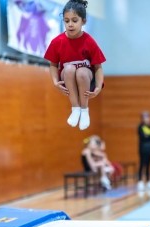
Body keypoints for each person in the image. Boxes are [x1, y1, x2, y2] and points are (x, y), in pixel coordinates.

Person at [44, 0, 106, 130]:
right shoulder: (57, 42)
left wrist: (99, 86)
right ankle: (75, 108)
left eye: (74, 20)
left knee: (82, 71)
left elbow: (98, 67)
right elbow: (53, 64)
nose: (70, 24)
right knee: (69, 69)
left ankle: (84, 110)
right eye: (66, 21)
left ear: (83, 21)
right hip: (67, 77)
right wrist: (55, 82)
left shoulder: (89, 41)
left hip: (87, 79)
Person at [137, 111, 150, 192]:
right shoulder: (140, 127)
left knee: (149, 166)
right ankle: (140, 182)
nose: (146, 119)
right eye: (144, 117)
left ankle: (148, 182)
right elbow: (143, 137)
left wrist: (149, 136)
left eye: (147, 117)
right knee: (142, 165)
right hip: (143, 149)